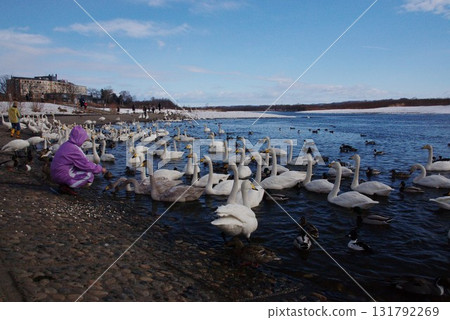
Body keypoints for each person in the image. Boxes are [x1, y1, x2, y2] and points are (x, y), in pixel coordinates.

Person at [50, 126, 107, 195]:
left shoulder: (66, 144)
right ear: (79, 138)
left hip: (55, 173)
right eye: (83, 139)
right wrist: (100, 169)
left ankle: (64, 185)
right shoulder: (74, 149)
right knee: (89, 175)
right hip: (60, 175)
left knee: (79, 168)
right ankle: (68, 185)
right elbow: (86, 164)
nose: (84, 141)